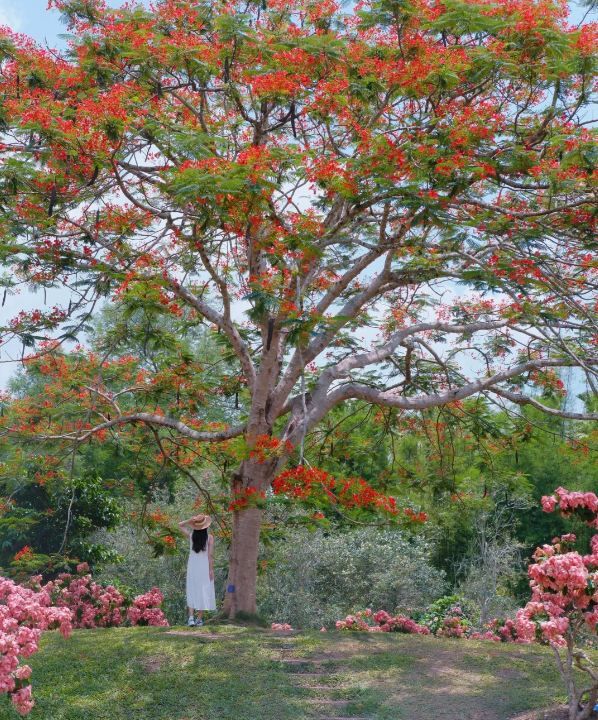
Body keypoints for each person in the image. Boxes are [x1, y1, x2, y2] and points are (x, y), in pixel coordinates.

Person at [178, 513, 216, 626]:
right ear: (206, 526)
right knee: (203, 590)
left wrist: (190, 520)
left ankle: (190, 618)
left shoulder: (191, 536)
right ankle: (199, 619)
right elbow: (210, 556)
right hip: (204, 566)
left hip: (193, 566)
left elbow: (180, 525)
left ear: (195, 526)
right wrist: (211, 570)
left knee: (192, 589)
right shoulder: (209, 538)